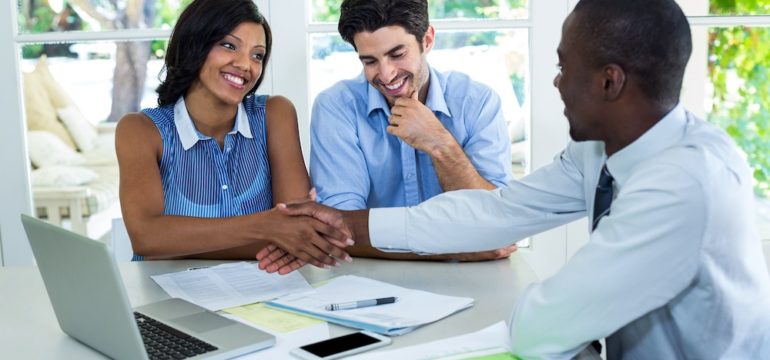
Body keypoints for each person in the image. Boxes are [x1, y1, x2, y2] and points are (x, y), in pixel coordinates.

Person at [260, 0, 770, 357]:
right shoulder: (597, 151)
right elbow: (499, 213)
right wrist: (345, 221)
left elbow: (536, 330)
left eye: (563, 67)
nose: (555, 82)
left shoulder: (684, 183)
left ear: (610, 81)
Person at [115, 0, 350, 269]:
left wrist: (178, 242)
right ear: (195, 44)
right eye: (229, 45)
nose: (245, 65)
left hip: (264, 292)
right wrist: (266, 226)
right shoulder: (140, 130)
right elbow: (146, 238)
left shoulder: (275, 115)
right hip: (166, 298)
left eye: (257, 55)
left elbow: (298, 233)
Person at [307, 0, 517, 260]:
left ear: (427, 40)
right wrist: (450, 249)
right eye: (370, 61)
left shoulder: (478, 103)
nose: (385, 75)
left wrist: (439, 144)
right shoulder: (336, 107)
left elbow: (497, 223)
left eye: (397, 55)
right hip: (369, 276)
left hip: (474, 275)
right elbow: (339, 230)